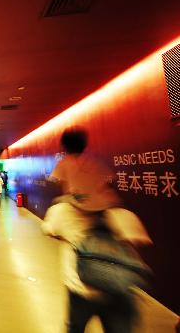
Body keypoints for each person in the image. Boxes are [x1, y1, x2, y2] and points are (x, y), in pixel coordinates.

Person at [42, 127, 152, 333]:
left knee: (75, 328)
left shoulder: (61, 211)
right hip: (119, 289)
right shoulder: (121, 215)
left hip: (80, 286)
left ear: (64, 147)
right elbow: (138, 241)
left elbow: (48, 229)